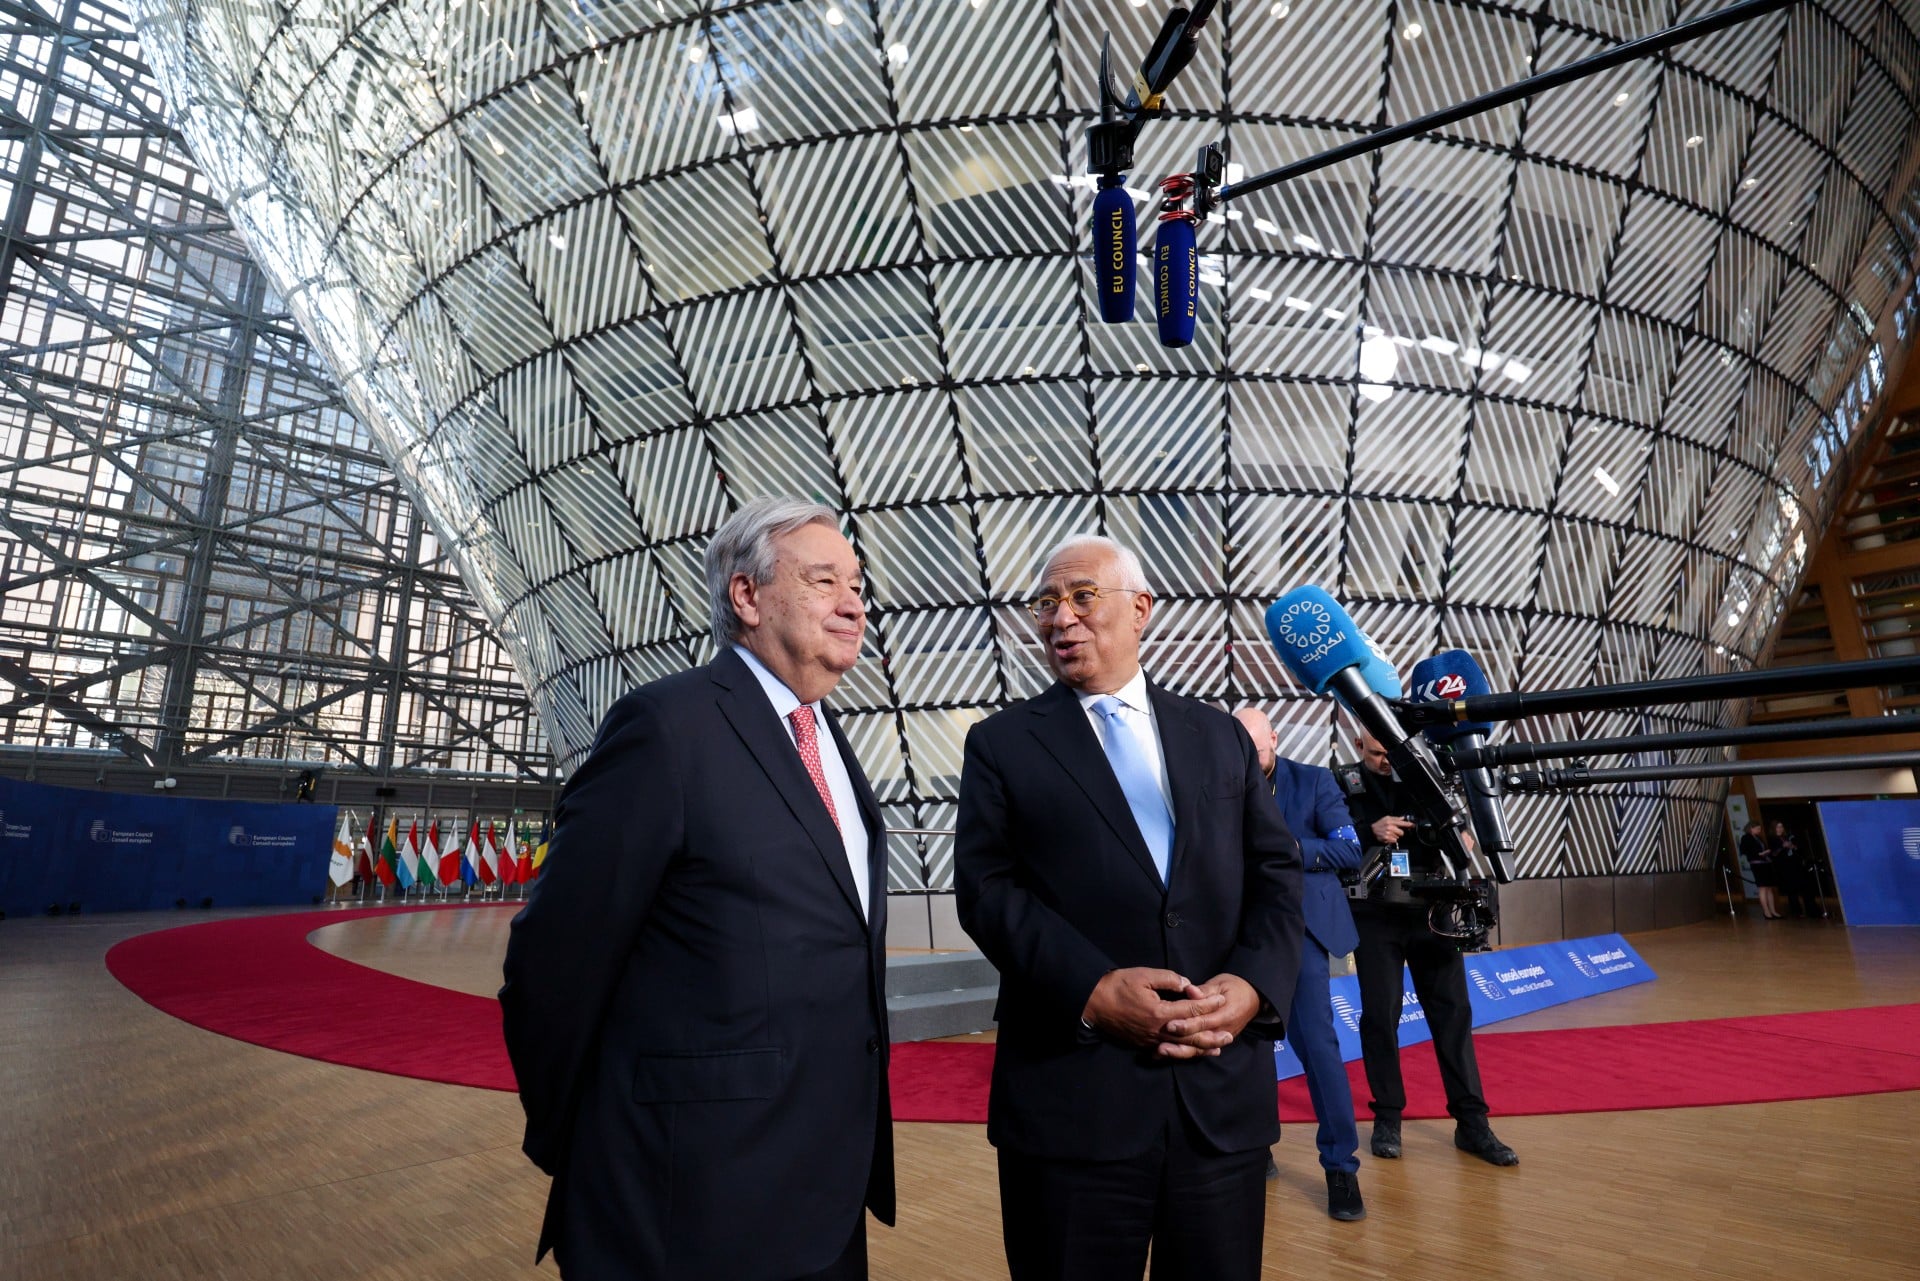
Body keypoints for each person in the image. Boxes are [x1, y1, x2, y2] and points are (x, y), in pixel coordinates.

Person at [500, 497, 894, 1281]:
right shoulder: (666, 727)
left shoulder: (828, 740)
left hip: (825, 1195)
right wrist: (597, 1143)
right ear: (746, 595)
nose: (854, 604)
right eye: (824, 581)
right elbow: (552, 962)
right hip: (685, 1203)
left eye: (857, 585)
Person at [955, 534, 1304, 1281]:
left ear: (1140, 608)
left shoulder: (1218, 735)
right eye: (1047, 603)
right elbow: (986, 890)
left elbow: (1276, 872)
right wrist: (1091, 988)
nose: (1061, 618)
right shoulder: (1001, 743)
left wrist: (1253, 986)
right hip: (1073, 1106)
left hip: (1218, 1104)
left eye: (1083, 596)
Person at [1336, 730, 1518, 1167]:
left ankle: (1472, 1123)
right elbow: (1328, 837)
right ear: (1358, 747)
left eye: (1391, 753)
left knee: (1453, 1015)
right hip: (1374, 916)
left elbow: (1464, 833)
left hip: (1434, 911)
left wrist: (1462, 837)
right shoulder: (1340, 784)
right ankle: (1388, 1118)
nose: (1386, 761)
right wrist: (1368, 830)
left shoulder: (1428, 776)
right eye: (1376, 753)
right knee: (1380, 1017)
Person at [1231, 709, 1367, 1222]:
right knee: (1245, 1051)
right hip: (1242, 934)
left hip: (1304, 933)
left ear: (1275, 738)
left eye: (1258, 748)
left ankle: (1341, 1168)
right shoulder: (1220, 785)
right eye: (1242, 750)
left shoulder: (1314, 782)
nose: (1251, 758)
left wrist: (1285, 849)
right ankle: (1257, 1148)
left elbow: (1348, 851)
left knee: (1319, 1049)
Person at [1771, 820, 1815, 918]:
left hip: (1796, 865)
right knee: (1792, 891)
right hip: (1785, 868)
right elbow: (1773, 854)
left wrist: (1793, 846)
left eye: (1781, 827)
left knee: (1805, 888)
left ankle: (1811, 910)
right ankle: (1796, 911)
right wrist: (1782, 847)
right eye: (1778, 827)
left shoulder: (1788, 837)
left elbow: (1799, 849)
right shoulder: (1773, 839)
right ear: (1774, 829)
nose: (1780, 829)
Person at [1739, 819, 1780, 919]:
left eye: (1760, 829)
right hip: (1757, 864)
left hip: (1766, 863)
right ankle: (1766, 911)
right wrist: (1758, 854)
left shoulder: (1758, 838)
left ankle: (1773, 910)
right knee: (1762, 887)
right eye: (1757, 828)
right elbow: (1744, 850)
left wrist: (1767, 852)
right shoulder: (1746, 838)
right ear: (1751, 828)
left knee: (1769, 888)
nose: (1759, 830)